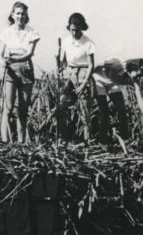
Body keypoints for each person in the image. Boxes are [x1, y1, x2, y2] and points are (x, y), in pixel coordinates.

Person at [0, 2, 40, 143]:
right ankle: (5, 140)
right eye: (17, 13)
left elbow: (29, 53)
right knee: (8, 107)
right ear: (12, 15)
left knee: (22, 109)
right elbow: (0, 54)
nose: (20, 16)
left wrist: (13, 58)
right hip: (10, 70)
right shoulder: (6, 32)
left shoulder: (32, 32)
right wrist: (2, 62)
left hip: (25, 69)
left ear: (26, 15)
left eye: (23, 13)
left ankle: (21, 142)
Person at [56, 12, 96, 141]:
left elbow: (91, 65)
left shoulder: (88, 42)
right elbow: (64, 62)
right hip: (71, 74)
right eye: (71, 30)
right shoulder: (66, 41)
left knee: (85, 112)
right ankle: (65, 137)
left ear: (82, 28)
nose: (74, 33)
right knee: (61, 105)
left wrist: (84, 84)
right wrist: (60, 67)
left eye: (76, 30)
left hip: (84, 74)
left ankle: (87, 141)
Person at [90, 59, 131, 143]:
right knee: (104, 111)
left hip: (113, 83)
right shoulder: (115, 63)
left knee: (121, 109)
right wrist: (89, 76)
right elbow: (95, 66)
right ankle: (103, 139)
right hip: (99, 81)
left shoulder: (131, 77)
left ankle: (125, 137)